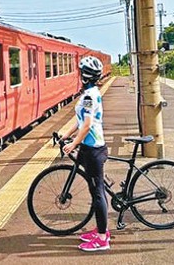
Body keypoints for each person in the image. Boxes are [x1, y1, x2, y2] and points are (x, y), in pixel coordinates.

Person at [61, 55, 109, 252]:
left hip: (93, 148)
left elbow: (87, 125)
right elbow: (81, 121)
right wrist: (67, 134)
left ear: (83, 75)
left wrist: (73, 144)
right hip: (91, 147)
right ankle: (101, 229)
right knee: (96, 189)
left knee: (98, 192)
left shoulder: (89, 96)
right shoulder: (92, 92)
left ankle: (102, 239)